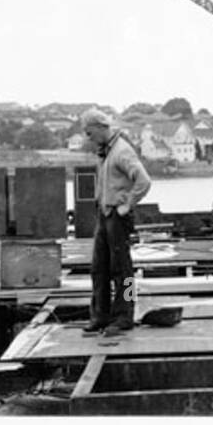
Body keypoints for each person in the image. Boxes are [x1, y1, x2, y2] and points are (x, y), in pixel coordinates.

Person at [80, 108, 151, 335]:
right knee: (98, 268)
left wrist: (127, 205)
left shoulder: (122, 152)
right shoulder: (106, 151)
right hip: (104, 214)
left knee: (123, 271)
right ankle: (100, 315)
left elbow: (144, 181)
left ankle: (125, 315)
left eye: (90, 133)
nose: (88, 139)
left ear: (102, 128)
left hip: (117, 217)